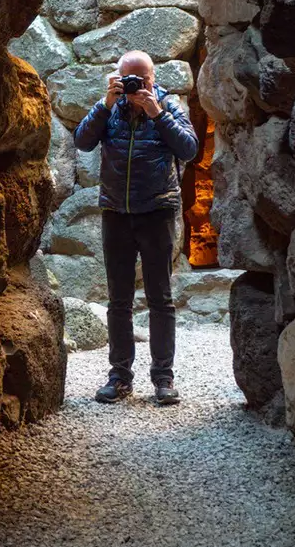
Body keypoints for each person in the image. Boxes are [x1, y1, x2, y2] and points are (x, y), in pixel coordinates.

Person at [71, 50, 200, 406]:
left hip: (157, 211)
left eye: (140, 80)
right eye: (126, 79)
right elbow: (82, 142)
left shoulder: (168, 107)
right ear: (116, 78)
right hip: (116, 212)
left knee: (160, 299)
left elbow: (189, 149)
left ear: (152, 79)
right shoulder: (109, 108)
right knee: (119, 300)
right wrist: (103, 103)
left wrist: (156, 114)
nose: (133, 86)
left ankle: (163, 378)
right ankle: (119, 376)